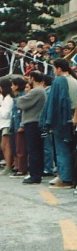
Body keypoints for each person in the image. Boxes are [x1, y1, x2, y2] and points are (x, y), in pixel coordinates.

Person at [44, 59, 77, 189]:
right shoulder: (74, 81)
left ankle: (65, 178)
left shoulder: (59, 81)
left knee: (62, 150)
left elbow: (55, 103)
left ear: (58, 68)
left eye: (54, 68)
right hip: (73, 117)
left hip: (62, 118)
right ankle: (67, 176)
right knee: (71, 149)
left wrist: (48, 121)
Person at [17, 71, 46, 184]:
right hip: (36, 122)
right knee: (36, 150)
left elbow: (21, 103)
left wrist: (22, 96)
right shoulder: (40, 90)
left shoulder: (36, 91)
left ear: (33, 78)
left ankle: (35, 175)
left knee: (33, 150)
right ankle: (36, 173)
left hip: (33, 122)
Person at [9, 77, 28, 178]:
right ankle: (18, 166)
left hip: (20, 126)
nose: (11, 87)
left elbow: (22, 112)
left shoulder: (22, 97)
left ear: (17, 86)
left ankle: (22, 169)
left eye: (12, 85)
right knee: (16, 147)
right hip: (15, 125)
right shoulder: (16, 98)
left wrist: (21, 125)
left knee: (21, 148)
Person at [0, 79, 14, 176]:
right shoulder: (5, 98)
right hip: (3, 124)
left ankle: (8, 166)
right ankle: (8, 165)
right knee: (4, 145)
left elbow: (6, 113)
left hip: (6, 123)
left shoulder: (8, 98)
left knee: (5, 146)